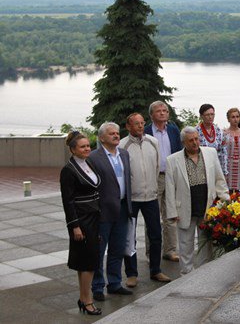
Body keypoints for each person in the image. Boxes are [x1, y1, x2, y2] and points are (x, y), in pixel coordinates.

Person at [164, 127, 230, 275]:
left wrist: (226, 200)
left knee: (205, 243)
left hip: (206, 206)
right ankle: (186, 275)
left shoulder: (210, 153)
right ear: (183, 142)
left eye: (196, 139)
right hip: (185, 208)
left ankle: (204, 274)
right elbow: (169, 188)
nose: (195, 143)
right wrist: (172, 212)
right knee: (185, 244)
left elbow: (219, 179)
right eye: (191, 140)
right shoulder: (172, 160)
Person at [120, 113, 171, 288]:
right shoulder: (122, 146)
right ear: (128, 126)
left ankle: (155, 270)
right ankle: (131, 273)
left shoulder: (152, 142)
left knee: (155, 234)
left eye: (142, 123)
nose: (141, 126)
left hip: (150, 196)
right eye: (136, 124)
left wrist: (152, 187)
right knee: (130, 237)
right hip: (132, 199)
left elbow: (157, 166)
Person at [89, 122, 133, 300]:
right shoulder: (94, 157)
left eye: (117, 133)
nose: (116, 135)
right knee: (99, 250)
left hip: (122, 208)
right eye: (111, 134)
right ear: (101, 138)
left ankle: (114, 283)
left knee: (118, 248)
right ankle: (97, 286)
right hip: (103, 211)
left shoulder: (124, 154)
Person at [60, 131, 102, 315]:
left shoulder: (88, 163)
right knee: (89, 262)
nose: (87, 149)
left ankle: (83, 298)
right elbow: (68, 201)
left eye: (88, 145)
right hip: (82, 221)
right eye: (83, 146)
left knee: (85, 261)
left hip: (94, 217)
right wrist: (74, 226)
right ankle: (88, 301)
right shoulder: (68, 170)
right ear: (73, 149)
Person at [144, 100, 181, 263]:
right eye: (159, 111)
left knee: (171, 214)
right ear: (151, 115)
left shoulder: (173, 130)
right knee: (152, 215)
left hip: (171, 176)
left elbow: (180, 152)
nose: (162, 113)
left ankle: (170, 250)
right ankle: (151, 251)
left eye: (165, 110)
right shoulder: (146, 132)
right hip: (154, 177)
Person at [196, 104, 228, 176]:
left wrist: (224, 171)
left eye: (212, 114)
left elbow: (224, 152)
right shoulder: (196, 132)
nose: (210, 117)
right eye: (207, 115)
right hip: (201, 170)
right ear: (201, 116)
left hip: (216, 168)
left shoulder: (219, 131)